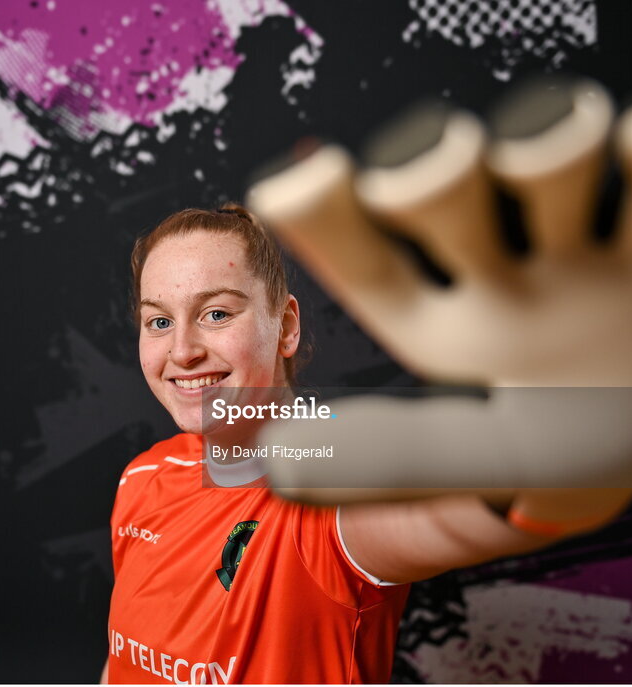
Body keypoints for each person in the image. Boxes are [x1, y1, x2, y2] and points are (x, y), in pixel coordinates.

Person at [103, 205, 572, 684]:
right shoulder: (143, 476)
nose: (182, 351)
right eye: (158, 322)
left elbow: (523, 499)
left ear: (285, 327)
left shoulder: (335, 491)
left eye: (216, 313)